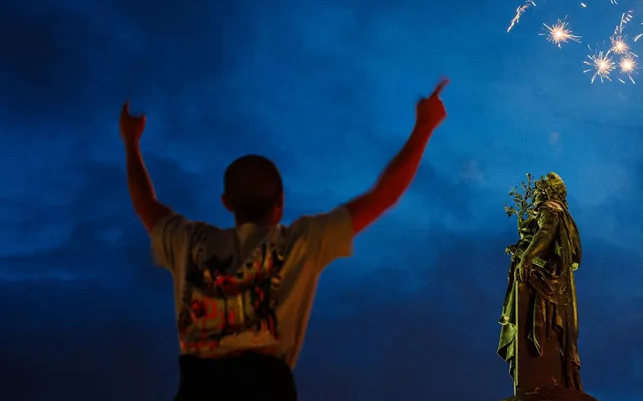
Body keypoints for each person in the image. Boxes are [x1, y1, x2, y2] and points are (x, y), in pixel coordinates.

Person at [119, 79, 449, 401]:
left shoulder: (188, 242)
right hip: (267, 388)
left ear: (227, 203)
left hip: (196, 387)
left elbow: (145, 203)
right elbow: (384, 195)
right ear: (280, 203)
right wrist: (424, 127)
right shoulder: (302, 242)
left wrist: (131, 142)